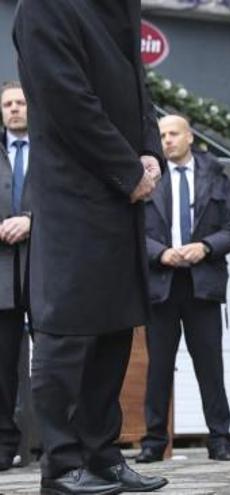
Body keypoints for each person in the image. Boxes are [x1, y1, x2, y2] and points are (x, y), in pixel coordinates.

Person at [13, 0, 169, 493]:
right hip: (74, 192)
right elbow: (66, 99)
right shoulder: (44, 8)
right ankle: (61, 464)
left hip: (121, 194)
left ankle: (103, 456)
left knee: (115, 325)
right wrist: (127, 170)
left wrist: (149, 150)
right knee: (68, 330)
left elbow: (140, 92)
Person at [136, 115, 230, 464]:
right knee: (158, 367)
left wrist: (206, 247)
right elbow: (134, 231)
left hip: (203, 286)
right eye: (162, 135)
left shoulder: (215, 175)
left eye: (173, 134)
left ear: (189, 138)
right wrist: (160, 253)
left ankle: (219, 439)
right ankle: (153, 442)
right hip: (161, 285)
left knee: (210, 365)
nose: (166, 140)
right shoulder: (148, 178)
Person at [0, 81, 31, 472]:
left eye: (21, 102)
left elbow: (68, 197)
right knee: (2, 368)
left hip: (47, 270)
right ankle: (4, 446)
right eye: (7, 104)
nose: (13, 109)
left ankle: (62, 449)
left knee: (57, 363)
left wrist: (32, 221)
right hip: (2, 276)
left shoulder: (53, 149)